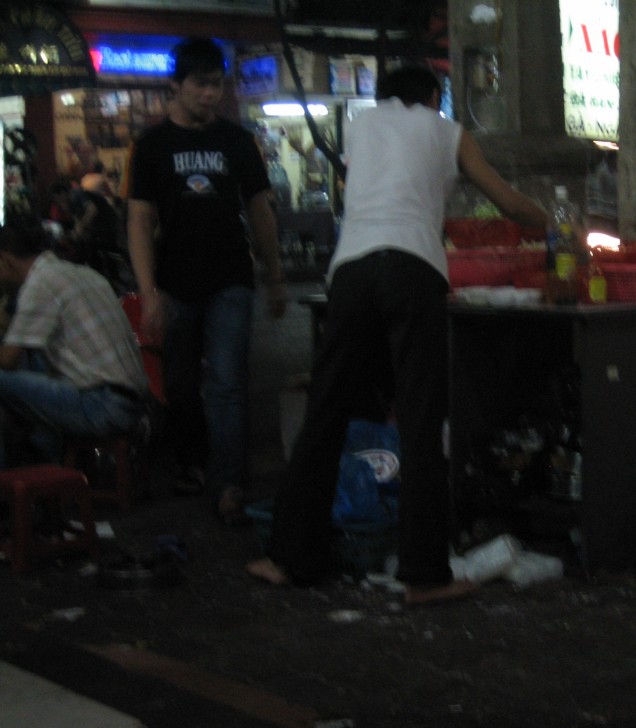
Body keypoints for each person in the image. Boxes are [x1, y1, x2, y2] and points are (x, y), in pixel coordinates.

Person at [246, 64, 549, 603]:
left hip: (352, 270)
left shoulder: (361, 125)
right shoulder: (447, 129)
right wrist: (547, 219)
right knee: (420, 418)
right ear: (434, 97)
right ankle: (423, 574)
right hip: (413, 270)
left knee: (326, 411)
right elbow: (507, 204)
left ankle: (287, 558)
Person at [126, 37, 287, 523]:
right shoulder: (152, 145)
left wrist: (275, 274)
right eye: (200, 84)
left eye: (216, 85)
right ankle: (192, 463)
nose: (210, 94)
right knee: (178, 383)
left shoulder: (237, 142)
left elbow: (260, 212)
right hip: (175, 280)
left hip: (230, 278)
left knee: (226, 382)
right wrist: (148, 290)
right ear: (174, 86)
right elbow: (138, 220)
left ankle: (227, 484)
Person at [0, 211, 148, 468]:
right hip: (133, 401)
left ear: (4, 259)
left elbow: (7, 360)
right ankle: (45, 458)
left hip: (102, 405)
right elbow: (22, 338)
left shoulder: (40, 284)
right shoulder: (77, 273)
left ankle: (14, 481)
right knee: (35, 360)